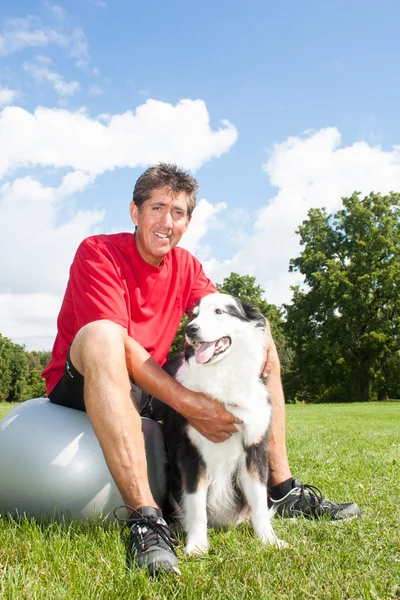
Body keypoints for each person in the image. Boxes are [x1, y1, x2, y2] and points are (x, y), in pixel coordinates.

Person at [42, 164, 360, 576]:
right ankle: (146, 520)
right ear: (135, 212)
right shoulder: (98, 252)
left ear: (188, 222)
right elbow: (118, 348)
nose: (166, 222)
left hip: (150, 381)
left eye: (178, 213)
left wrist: (263, 339)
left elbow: (223, 320)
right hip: (87, 378)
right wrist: (190, 403)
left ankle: (281, 490)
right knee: (104, 335)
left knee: (259, 343)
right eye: (157, 208)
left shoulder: (186, 265)